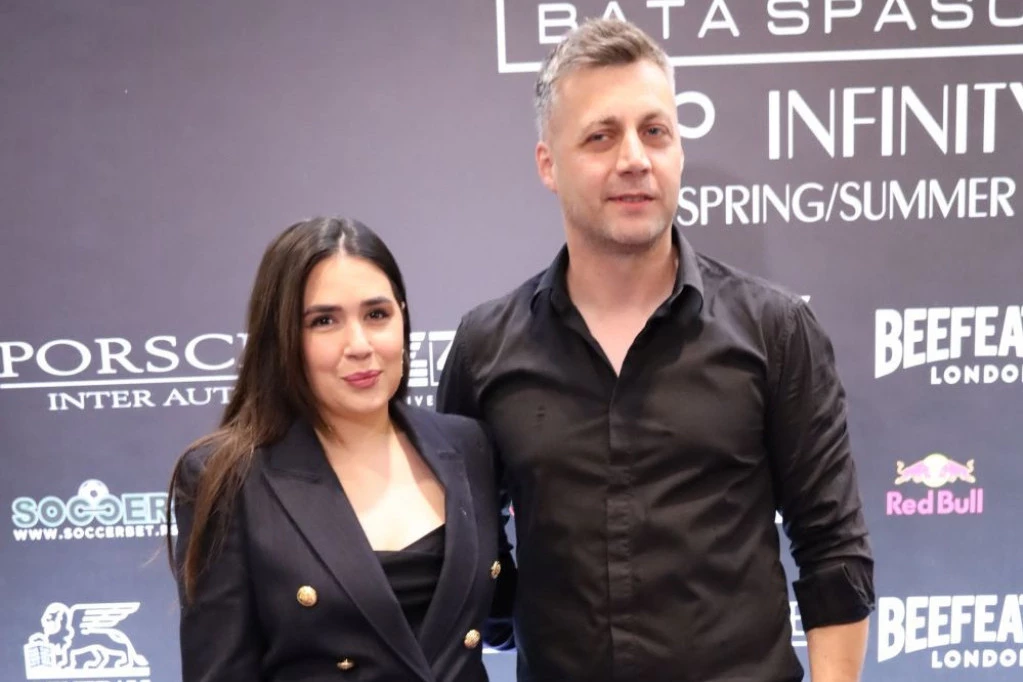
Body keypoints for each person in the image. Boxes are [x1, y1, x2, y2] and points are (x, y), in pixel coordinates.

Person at [437, 19, 874, 682]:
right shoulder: (483, 348)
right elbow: (467, 555)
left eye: (655, 131)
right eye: (601, 136)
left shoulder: (776, 330)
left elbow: (832, 550)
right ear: (548, 164)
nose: (634, 159)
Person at [168, 217, 512, 682]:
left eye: (377, 315)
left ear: (403, 316)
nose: (360, 345)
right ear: (282, 338)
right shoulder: (229, 478)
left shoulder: (469, 446)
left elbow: (509, 614)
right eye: (324, 321)